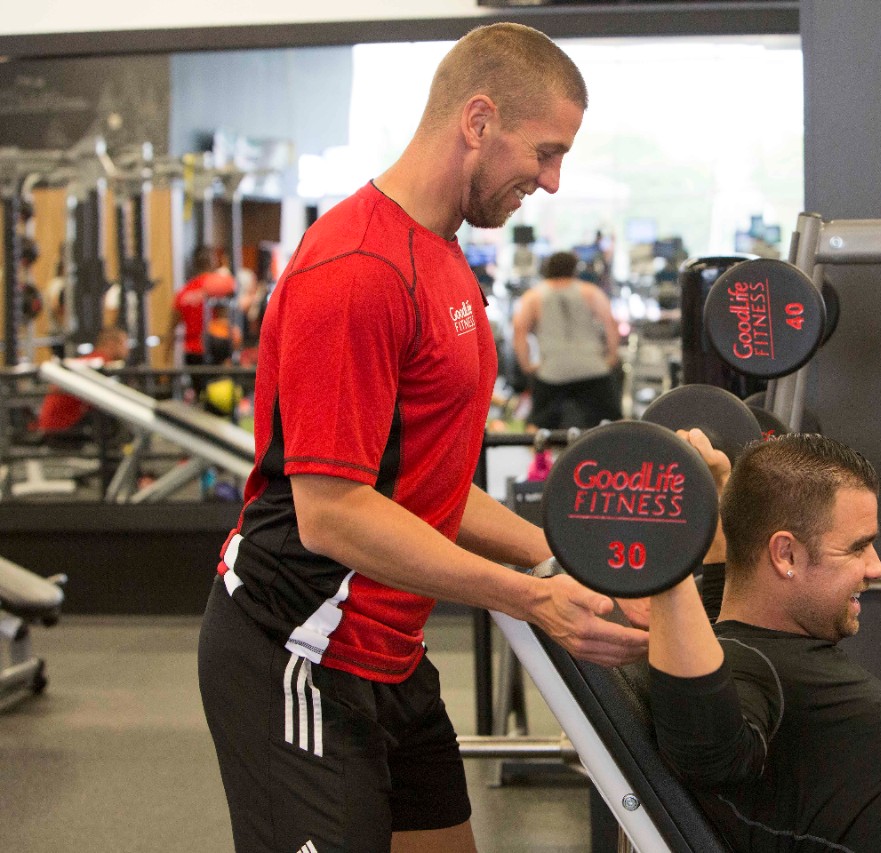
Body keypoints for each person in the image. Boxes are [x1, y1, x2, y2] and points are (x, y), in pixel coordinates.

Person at [197, 22, 648, 853]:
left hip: (391, 653)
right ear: (478, 121)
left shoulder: (441, 256)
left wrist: (562, 555)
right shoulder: (358, 268)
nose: (551, 182)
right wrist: (529, 596)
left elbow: (427, 485)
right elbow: (331, 515)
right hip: (298, 650)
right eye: (544, 153)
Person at [648, 432, 881, 852]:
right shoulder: (748, 670)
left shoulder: (742, 629)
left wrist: (718, 485)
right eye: (858, 548)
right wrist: (663, 549)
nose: (877, 568)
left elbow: (728, 581)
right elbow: (707, 751)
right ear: (786, 555)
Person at [511, 250, 621, 431]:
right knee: (615, 422)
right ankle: (618, 458)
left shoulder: (533, 296)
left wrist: (527, 366)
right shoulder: (589, 291)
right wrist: (611, 356)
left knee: (536, 426)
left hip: (552, 372)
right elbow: (611, 324)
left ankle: (539, 458)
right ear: (574, 269)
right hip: (592, 368)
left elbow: (519, 331)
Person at [36, 328, 129, 440]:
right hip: (62, 429)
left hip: (54, 426)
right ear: (111, 343)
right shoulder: (100, 363)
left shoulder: (91, 361)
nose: (127, 349)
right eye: (124, 344)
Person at [168, 245, 235, 395]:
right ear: (211, 262)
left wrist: (166, 357)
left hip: (192, 352)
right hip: (214, 349)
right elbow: (224, 318)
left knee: (201, 394)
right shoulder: (220, 285)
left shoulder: (183, 292)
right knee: (218, 395)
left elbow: (171, 327)